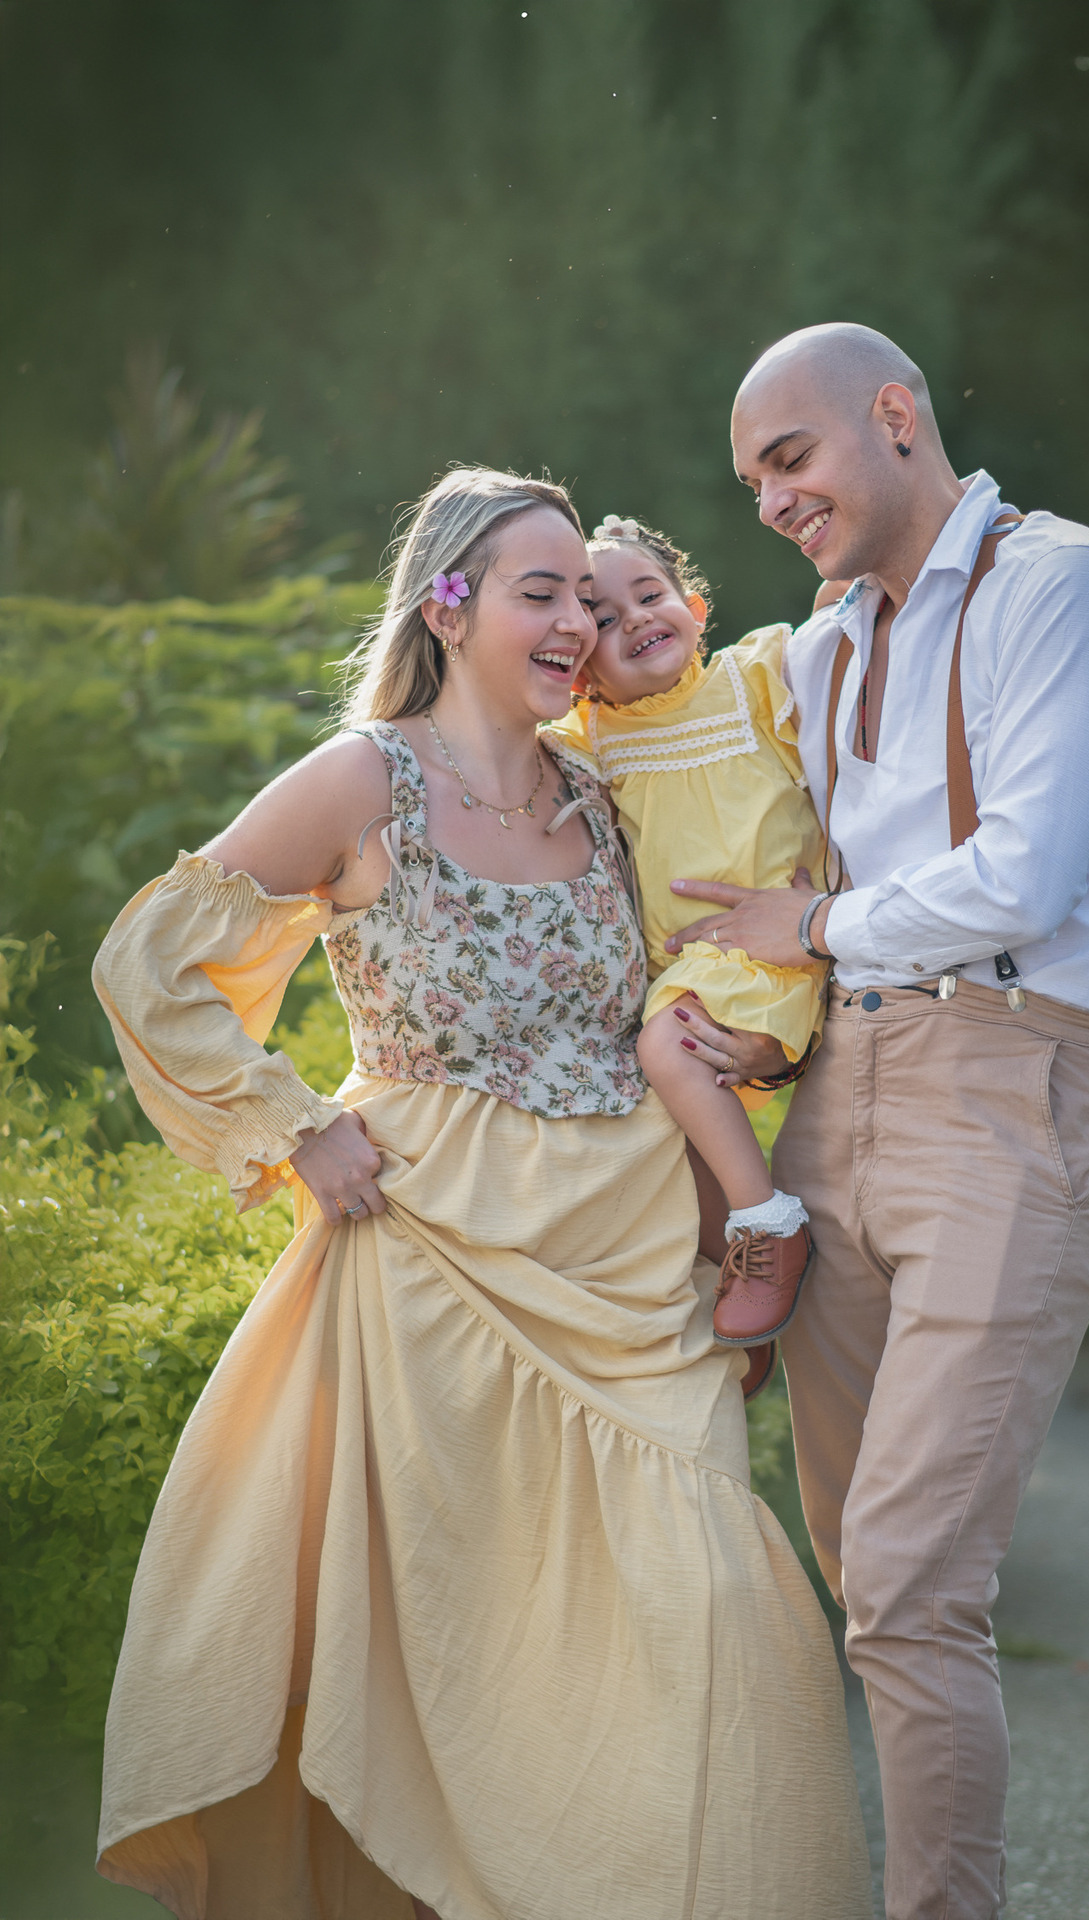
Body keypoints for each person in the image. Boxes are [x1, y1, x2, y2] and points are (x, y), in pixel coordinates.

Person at [91, 466, 870, 1920]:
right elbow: (150, 966)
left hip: (630, 1271)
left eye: (586, 593)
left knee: (708, 1610)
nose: (576, 620)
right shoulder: (363, 779)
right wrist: (298, 1126)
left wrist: (727, 1228)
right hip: (431, 1266)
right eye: (540, 591)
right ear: (446, 608)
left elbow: (687, 1008)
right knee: (458, 1664)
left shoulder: (605, 787)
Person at [666, 324, 1089, 1920]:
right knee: (855, 1563)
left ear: (895, 416)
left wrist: (813, 929)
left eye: (791, 458)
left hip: (1022, 1085)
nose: (770, 500)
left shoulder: (1066, 587)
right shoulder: (817, 648)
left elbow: (1023, 876)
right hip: (839, 1090)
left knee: (907, 1573)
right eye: (751, 481)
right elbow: (701, 782)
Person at [549, 513, 827, 1375]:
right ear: (581, 667)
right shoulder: (589, 741)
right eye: (603, 618)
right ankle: (735, 1296)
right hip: (688, 974)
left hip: (777, 947)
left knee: (663, 1052)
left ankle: (770, 1228)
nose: (634, 618)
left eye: (650, 595)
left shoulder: (754, 680)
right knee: (661, 1135)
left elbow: (844, 629)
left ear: (695, 609)